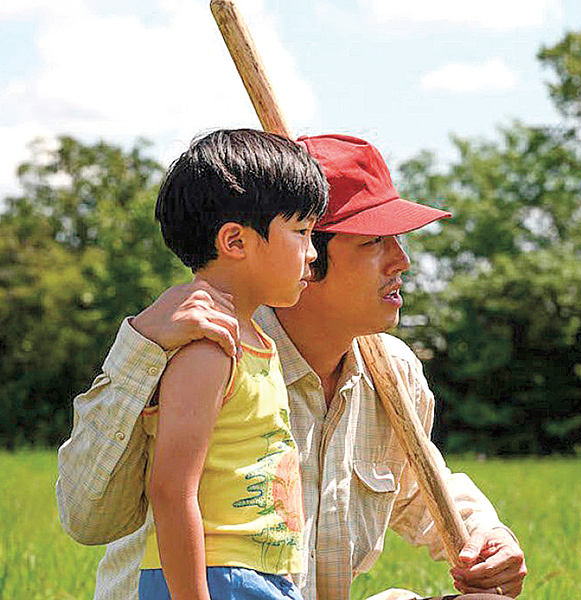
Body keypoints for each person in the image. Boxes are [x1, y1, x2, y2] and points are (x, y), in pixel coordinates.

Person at [57, 134, 527, 600]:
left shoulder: (394, 373)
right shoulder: (204, 344)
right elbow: (87, 516)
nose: (401, 261)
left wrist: (488, 537)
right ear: (311, 253)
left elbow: (420, 488)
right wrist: (140, 347)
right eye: (374, 242)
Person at [137, 128, 325, 599]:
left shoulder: (257, 340)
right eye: (301, 232)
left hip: (257, 576)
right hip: (215, 576)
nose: (313, 252)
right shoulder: (208, 348)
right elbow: (171, 490)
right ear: (235, 241)